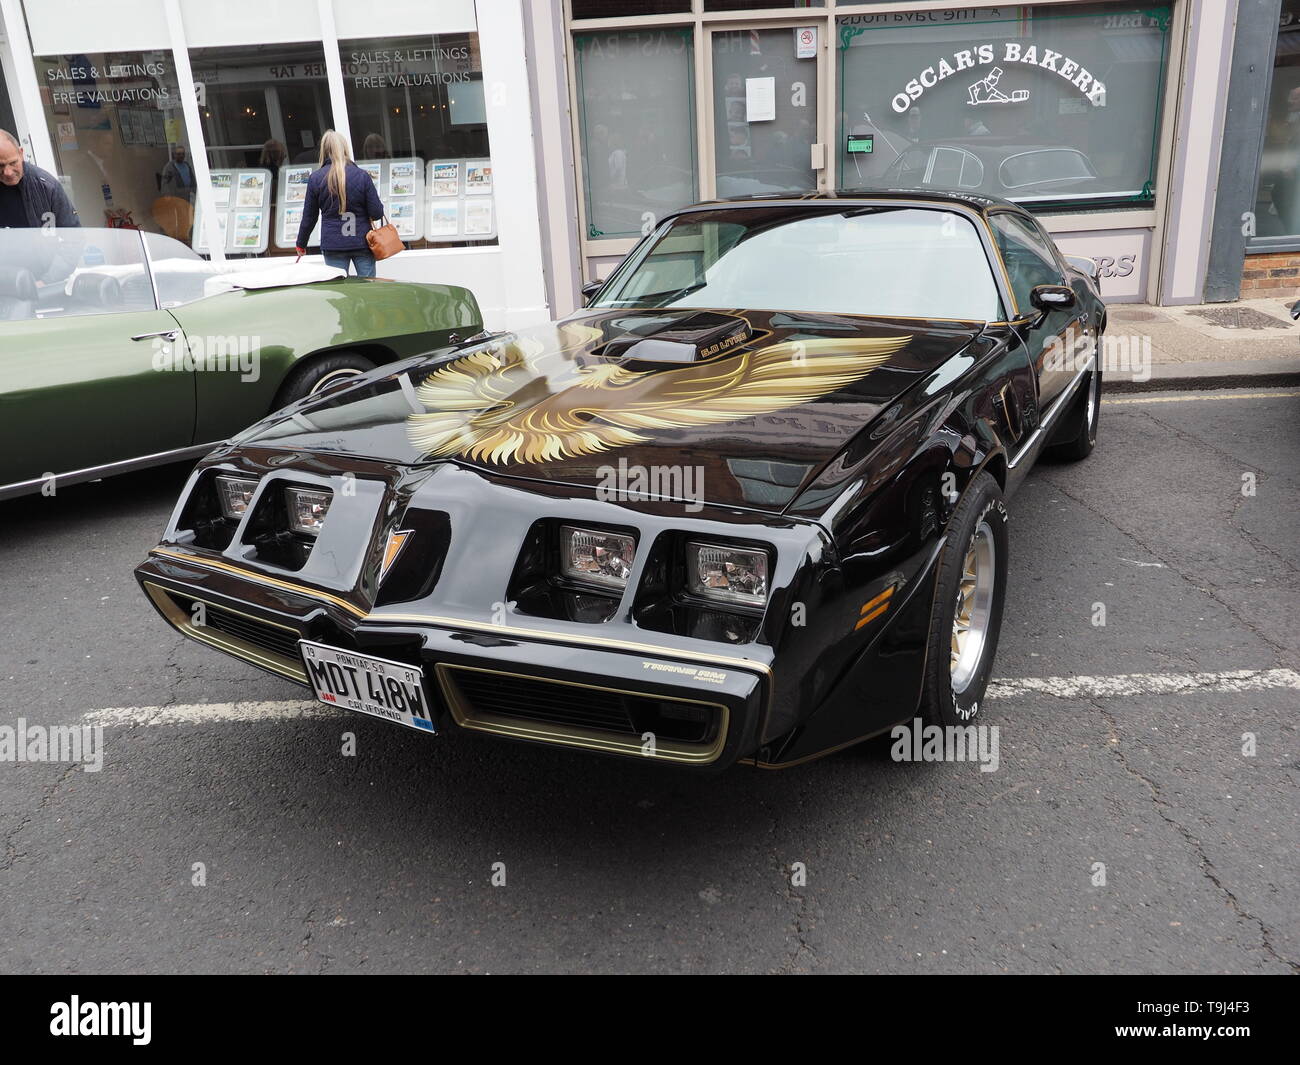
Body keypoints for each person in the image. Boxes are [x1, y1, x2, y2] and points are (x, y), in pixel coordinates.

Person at [295, 130, 384, 277]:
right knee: (369, 290)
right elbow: (377, 213)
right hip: (361, 242)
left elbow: (309, 217)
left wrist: (301, 243)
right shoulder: (362, 176)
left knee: (339, 294)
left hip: (333, 245)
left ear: (323, 150)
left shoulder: (316, 179)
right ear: (345, 149)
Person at [0, 129, 80, 229]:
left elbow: (73, 234)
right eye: (0, 166)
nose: (8, 172)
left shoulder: (47, 186)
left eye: (13, 163)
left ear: (21, 153)